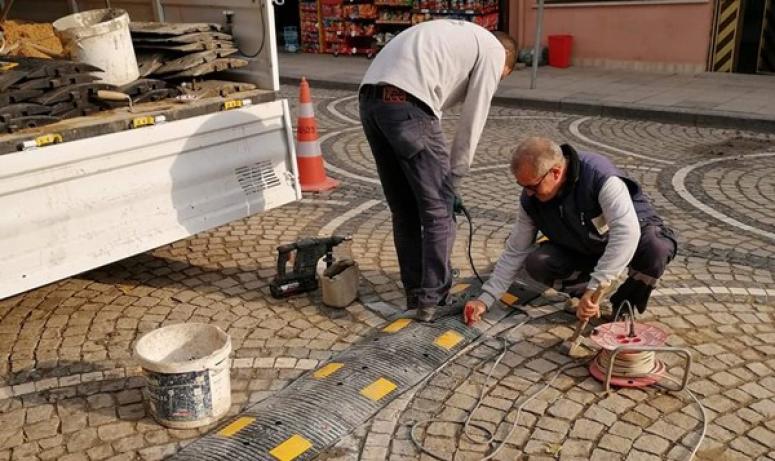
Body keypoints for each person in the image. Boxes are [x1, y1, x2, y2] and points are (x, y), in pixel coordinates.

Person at [358, 20, 518, 321]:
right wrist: (452, 179)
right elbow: (474, 119)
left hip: (370, 102)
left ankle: (415, 295)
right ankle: (434, 300)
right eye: (502, 78)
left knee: (404, 209)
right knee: (439, 213)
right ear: (507, 60)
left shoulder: (457, 35)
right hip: (407, 106)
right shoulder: (494, 51)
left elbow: (431, 109)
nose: (497, 81)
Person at [464, 137, 678, 325]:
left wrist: (597, 285)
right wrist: (486, 298)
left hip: (631, 238)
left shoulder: (600, 177)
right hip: (584, 244)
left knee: (656, 248)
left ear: (555, 173)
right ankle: (585, 295)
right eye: (522, 186)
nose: (527, 193)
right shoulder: (531, 200)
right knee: (538, 262)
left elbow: (626, 233)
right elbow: (516, 250)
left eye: (533, 186)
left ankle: (623, 305)